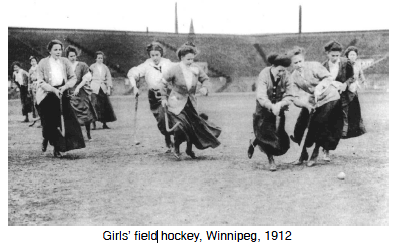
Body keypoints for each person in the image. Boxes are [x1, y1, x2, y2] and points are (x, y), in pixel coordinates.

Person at [160, 42, 221, 159]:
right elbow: (162, 83)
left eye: (192, 59)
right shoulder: (174, 69)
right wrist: (163, 98)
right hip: (176, 102)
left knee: (193, 127)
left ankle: (189, 149)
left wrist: (205, 88)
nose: (191, 61)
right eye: (188, 59)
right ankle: (176, 148)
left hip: (191, 103)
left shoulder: (196, 69)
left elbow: (206, 80)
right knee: (180, 126)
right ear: (182, 58)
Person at [288, 46, 344, 167]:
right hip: (314, 101)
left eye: (300, 61)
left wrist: (320, 87)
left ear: (304, 60)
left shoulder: (314, 66)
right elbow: (295, 98)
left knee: (319, 123)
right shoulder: (293, 77)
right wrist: (306, 105)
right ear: (291, 64)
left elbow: (328, 77)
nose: (298, 65)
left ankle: (314, 154)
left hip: (330, 97)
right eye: (295, 63)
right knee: (299, 126)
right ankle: (302, 155)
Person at [36, 39, 85, 157]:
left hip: (62, 93)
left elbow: (73, 78)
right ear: (50, 51)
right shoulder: (43, 62)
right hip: (47, 94)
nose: (58, 52)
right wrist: (53, 90)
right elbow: (40, 81)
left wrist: (64, 87)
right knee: (50, 123)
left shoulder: (65, 61)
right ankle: (47, 139)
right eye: (55, 50)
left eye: (60, 49)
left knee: (67, 121)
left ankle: (58, 148)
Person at [247, 53, 293, 171]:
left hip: (279, 105)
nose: (282, 73)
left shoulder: (286, 75)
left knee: (278, 133)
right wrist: (271, 106)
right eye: (279, 70)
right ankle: (271, 159)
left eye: (284, 71)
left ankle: (255, 139)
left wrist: (281, 104)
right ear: (273, 66)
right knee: (267, 133)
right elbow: (261, 96)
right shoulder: (264, 74)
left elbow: (290, 94)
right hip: (264, 106)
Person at [127, 42, 174, 152]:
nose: (155, 58)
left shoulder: (168, 63)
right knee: (161, 120)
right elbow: (132, 73)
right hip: (154, 96)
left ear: (161, 53)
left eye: (157, 55)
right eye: (152, 55)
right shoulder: (147, 65)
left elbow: (179, 70)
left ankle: (174, 140)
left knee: (170, 117)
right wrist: (134, 87)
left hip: (168, 94)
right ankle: (167, 138)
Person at [321, 40, 358, 138]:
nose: (335, 58)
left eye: (337, 55)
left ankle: (342, 134)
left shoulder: (346, 63)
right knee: (328, 117)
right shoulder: (323, 66)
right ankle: (326, 146)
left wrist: (345, 84)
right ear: (327, 54)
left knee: (343, 115)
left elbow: (352, 77)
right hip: (329, 96)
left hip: (343, 95)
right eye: (332, 55)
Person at [66, 45, 97, 141]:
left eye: (74, 55)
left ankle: (88, 134)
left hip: (80, 91)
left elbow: (86, 78)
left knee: (85, 112)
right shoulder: (65, 65)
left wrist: (78, 88)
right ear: (67, 56)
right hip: (69, 91)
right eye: (71, 56)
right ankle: (75, 135)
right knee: (71, 114)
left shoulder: (82, 65)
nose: (73, 57)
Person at [342, 46, 367, 138]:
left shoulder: (358, 64)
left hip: (354, 88)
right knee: (345, 108)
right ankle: (344, 129)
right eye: (350, 54)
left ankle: (356, 129)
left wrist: (363, 81)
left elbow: (361, 73)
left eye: (354, 54)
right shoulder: (344, 64)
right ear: (347, 56)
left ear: (356, 56)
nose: (352, 56)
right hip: (345, 89)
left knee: (355, 108)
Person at [90, 51, 117, 129]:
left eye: (101, 58)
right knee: (94, 105)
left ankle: (104, 124)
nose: (100, 59)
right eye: (98, 58)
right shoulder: (92, 67)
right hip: (94, 88)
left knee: (104, 106)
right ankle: (93, 124)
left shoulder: (105, 67)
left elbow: (108, 78)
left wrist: (108, 88)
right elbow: (88, 77)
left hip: (103, 88)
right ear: (96, 58)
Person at [28, 56, 41, 127]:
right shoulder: (30, 70)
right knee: (34, 103)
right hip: (33, 86)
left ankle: (41, 120)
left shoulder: (39, 68)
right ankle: (35, 119)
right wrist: (29, 88)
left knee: (39, 102)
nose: (33, 62)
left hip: (39, 85)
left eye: (34, 61)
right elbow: (29, 80)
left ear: (36, 61)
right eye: (31, 61)